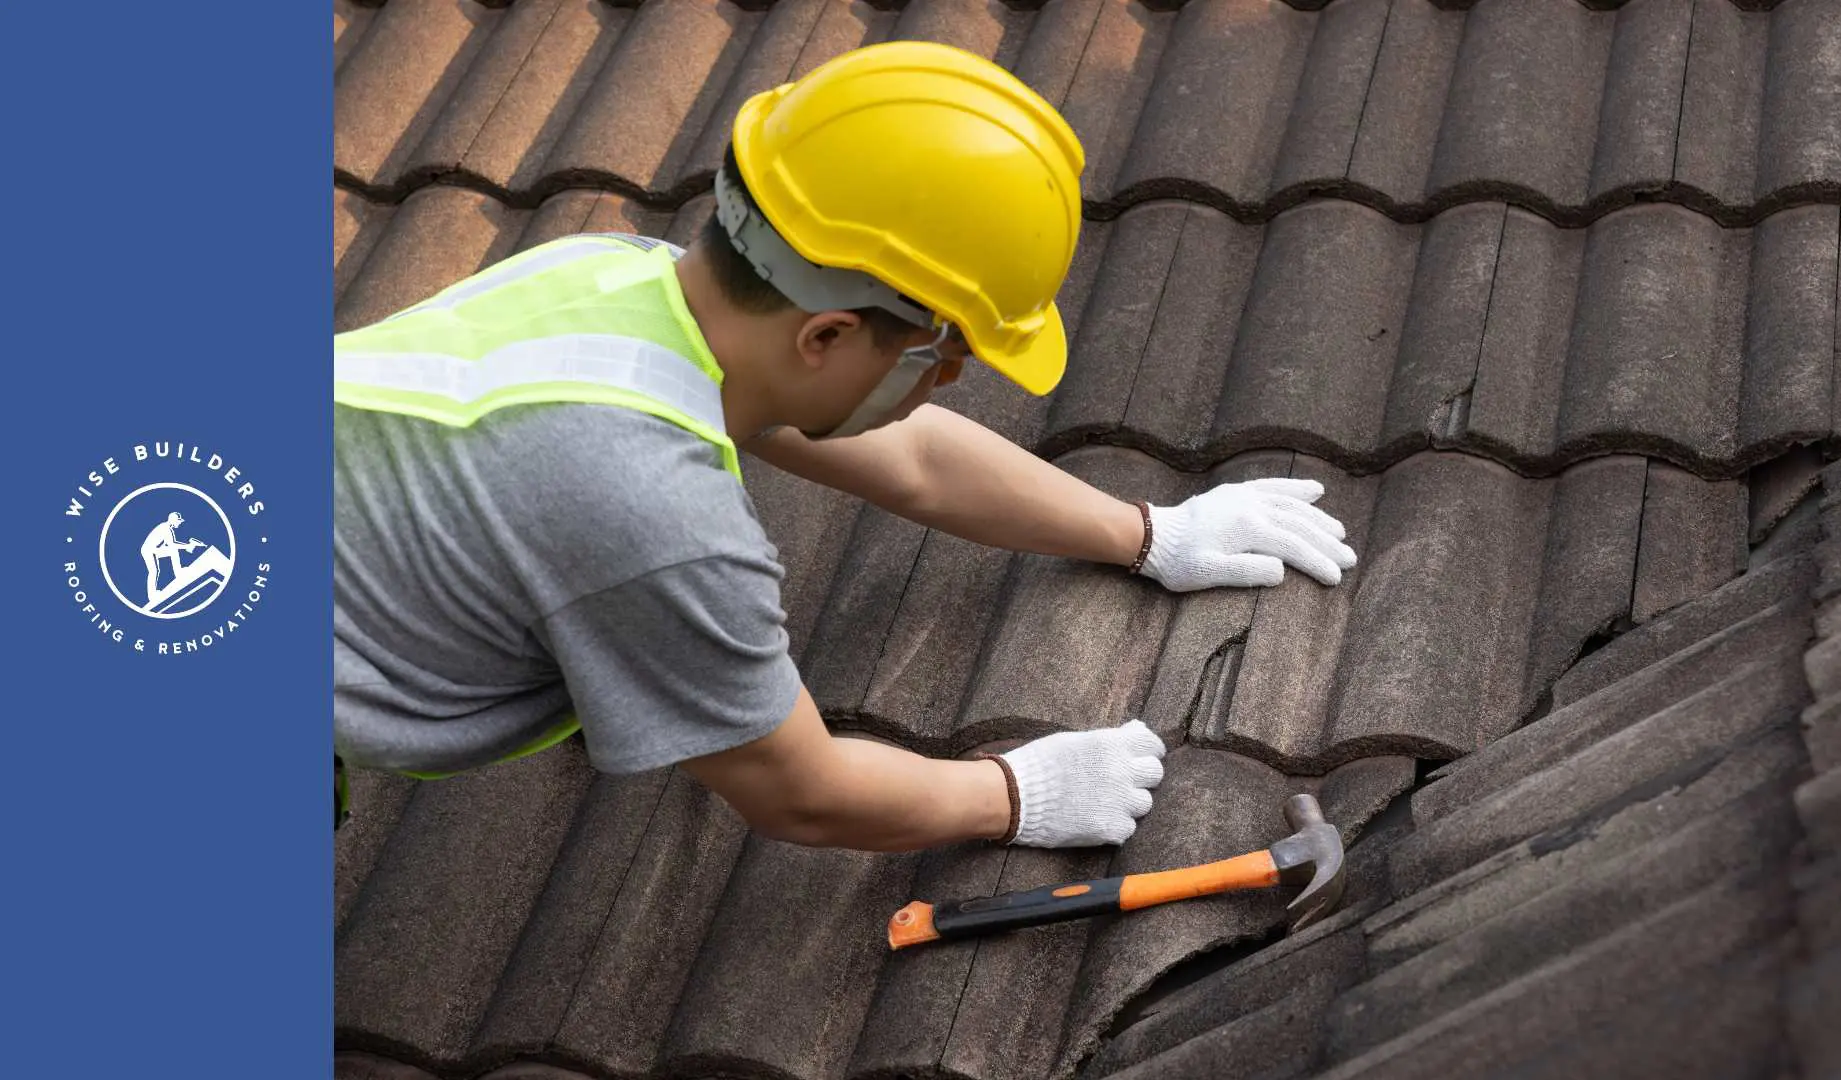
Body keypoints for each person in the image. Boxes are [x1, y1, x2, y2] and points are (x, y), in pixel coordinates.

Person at [332, 41, 1356, 850]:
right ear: (823, 335)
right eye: (944, 353)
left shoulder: (617, 275)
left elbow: (911, 458)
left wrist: (1148, 532)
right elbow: (802, 793)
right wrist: (1013, 791)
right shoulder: (655, 518)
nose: (948, 381)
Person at [140, 512, 205, 604]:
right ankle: (152, 596)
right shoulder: (165, 528)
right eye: (178, 521)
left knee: (172, 551)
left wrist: (187, 546)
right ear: (173, 520)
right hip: (149, 550)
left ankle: (179, 572)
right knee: (154, 571)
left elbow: (171, 545)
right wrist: (187, 546)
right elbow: (172, 544)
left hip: (155, 549)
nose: (180, 523)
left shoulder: (167, 528)